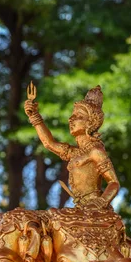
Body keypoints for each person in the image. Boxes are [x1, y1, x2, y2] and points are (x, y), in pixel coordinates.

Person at [24, 82, 120, 210]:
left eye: (78, 116)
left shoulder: (95, 151)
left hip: (93, 210)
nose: (71, 119)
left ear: (91, 123)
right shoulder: (74, 152)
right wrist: (34, 115)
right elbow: (49, 143)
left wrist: (101, 202)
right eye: (72, 115)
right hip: (79, 208)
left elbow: (114, 183)